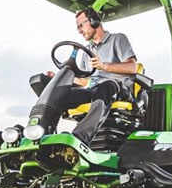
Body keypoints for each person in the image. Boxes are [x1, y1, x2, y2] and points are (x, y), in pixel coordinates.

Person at [55, 9, 138, 145]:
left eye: (81, 25)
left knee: (106, 86)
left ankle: (80, 140)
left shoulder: (117, 39)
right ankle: (42, 134)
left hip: (117, 89)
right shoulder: (87, 51)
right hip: (94, 90)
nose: (79, 31)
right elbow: (85, 80)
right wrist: (61, 79)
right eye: (78, 27)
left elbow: (132, 67)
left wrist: (103, 66)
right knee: (59, 91)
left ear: (94, 21)